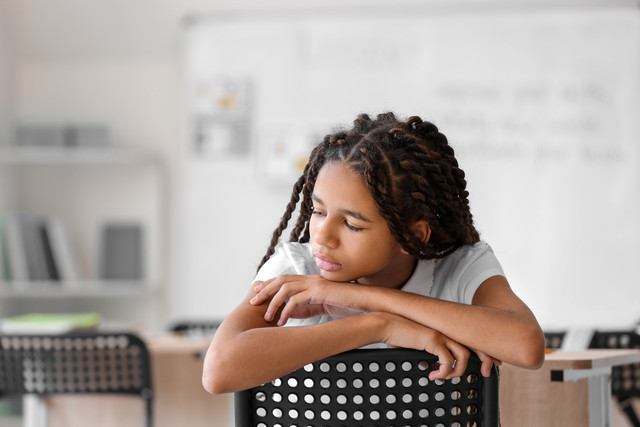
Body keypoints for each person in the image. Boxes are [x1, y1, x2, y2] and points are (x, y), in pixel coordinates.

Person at [202, 112, 545, 395]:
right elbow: (219, 371)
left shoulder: (459, 266)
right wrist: (379, 326)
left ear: (410, 236)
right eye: (318, 212)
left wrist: (364, 297)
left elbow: (526, 346)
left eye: (352, 224)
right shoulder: (297, 268)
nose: (322, 236)